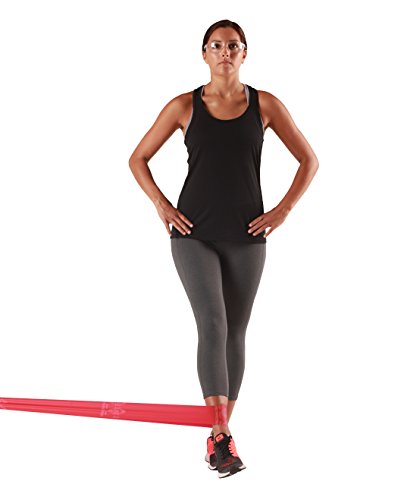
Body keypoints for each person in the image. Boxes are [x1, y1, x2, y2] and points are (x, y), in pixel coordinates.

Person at [128, 19, 319, 478]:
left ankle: (220, 435)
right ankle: (219, 434)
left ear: (244, 53)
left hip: (247, 235)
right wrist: (162, 205)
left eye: (233, 45)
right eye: (216, 45)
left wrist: (282, 211)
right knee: (212, 322)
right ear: (204, 54)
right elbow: (138, 158)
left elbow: (308, 160)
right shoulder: (184, 106)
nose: (225, 52)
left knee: (236, 330)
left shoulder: (265, 104)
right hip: (193, 232)